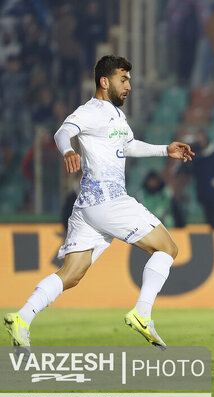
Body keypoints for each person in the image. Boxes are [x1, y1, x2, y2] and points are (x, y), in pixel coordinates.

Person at [3, 55, 195, 349]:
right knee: (168, 248)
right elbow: (63, 131)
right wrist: (68, 150)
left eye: (129, 79)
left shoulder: (116, 115)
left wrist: (164, 150)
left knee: (71, 274)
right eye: (123, 79)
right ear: (104, 82)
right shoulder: (91, 110)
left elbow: (127, 145)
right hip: (108, 199)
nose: (129, 85)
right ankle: (142, 314)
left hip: (88, 206)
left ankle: (22, 318)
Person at [184, 132, 214, 229]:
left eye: (201, 139)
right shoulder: (197, 156)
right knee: (209, 222)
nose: (199, 142)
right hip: (204, 195)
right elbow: (188, 170)